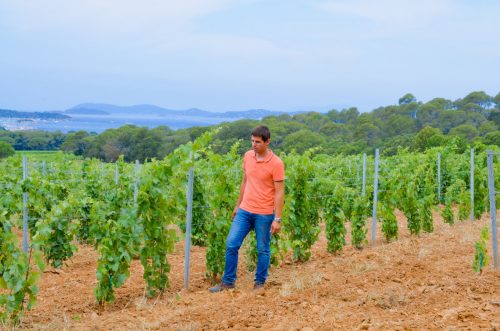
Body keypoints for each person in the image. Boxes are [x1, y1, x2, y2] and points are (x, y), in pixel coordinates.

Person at [209, 125, 285, 292]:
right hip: (245, 211)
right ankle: (228, 282)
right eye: (252, 141)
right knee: (231, 244)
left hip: (264, 214)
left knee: (262, 249)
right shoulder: (248, 156)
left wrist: (277, 218)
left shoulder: (277, 163)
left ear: (267, 142)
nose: (253, 145)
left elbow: (280, 193)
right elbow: (245, 181)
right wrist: (238, 205)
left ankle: (259, 283)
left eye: (257, 142)